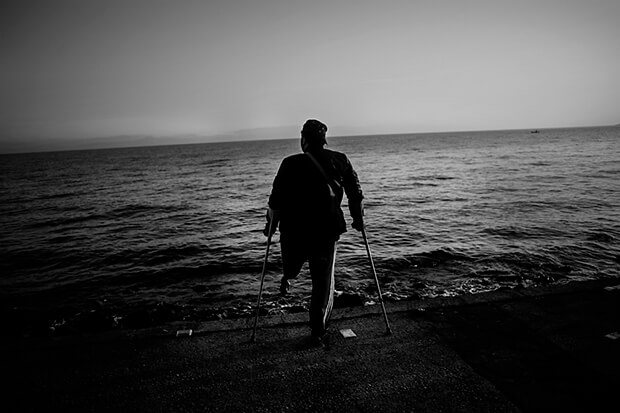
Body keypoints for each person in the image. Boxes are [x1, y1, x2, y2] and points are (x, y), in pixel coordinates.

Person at [264, 119, 364, 343]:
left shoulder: (289, 163)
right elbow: (355, 194)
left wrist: (269, 225)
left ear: (304, 139)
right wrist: (358, 220)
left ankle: (288, 276)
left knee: (293, 264)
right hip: (326, 231)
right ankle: (318, 328)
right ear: (324, 140)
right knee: (322, 280)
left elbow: (276, 200)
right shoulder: (340, 160)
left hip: (294, 231)